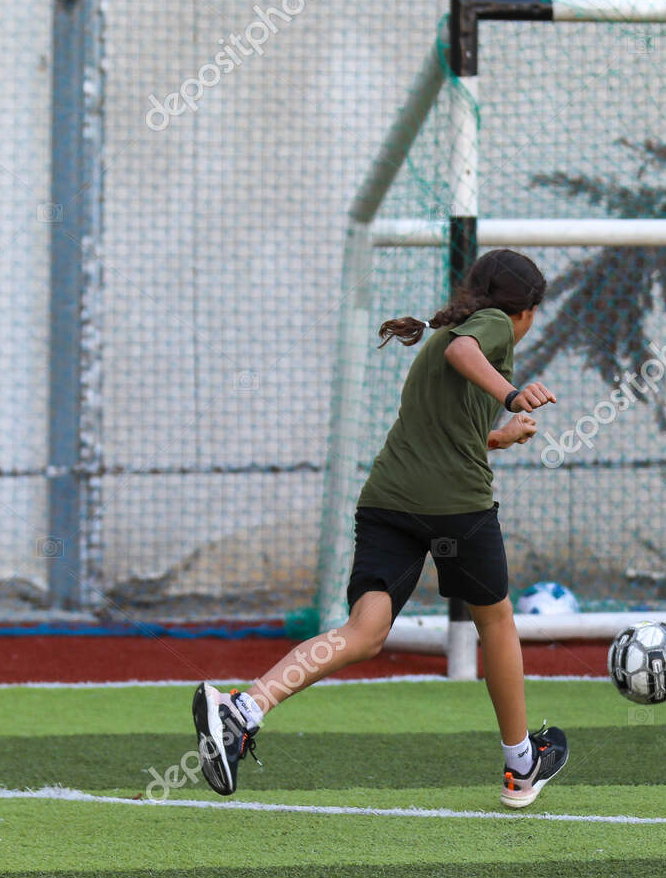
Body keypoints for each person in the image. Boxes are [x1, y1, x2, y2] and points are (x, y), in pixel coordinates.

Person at [190, 249, 571, 806]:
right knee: (497, 621)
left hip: (387, 501)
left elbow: (439, 428)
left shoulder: (448, 334)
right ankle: (521, 763)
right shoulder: (486, 330)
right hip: (453, 506)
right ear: (525, 310)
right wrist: (510, 394)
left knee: (364, 633)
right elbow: (471, 352)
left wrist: (498, 435)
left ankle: (242, 710)